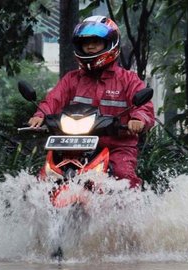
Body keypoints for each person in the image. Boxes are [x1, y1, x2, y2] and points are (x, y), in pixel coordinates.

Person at [28, 15, 155, 188]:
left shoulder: (128, 79)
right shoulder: (72, 79)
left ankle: (133, 212)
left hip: (117, 145)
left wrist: (138, 119)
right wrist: (40, 115)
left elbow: (144, 105)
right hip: (74, 145)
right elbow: (54, 99)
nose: (90, 46)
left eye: (96, 41)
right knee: (43, 179)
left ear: (110, 43)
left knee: (123, 176)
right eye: (85, 42)